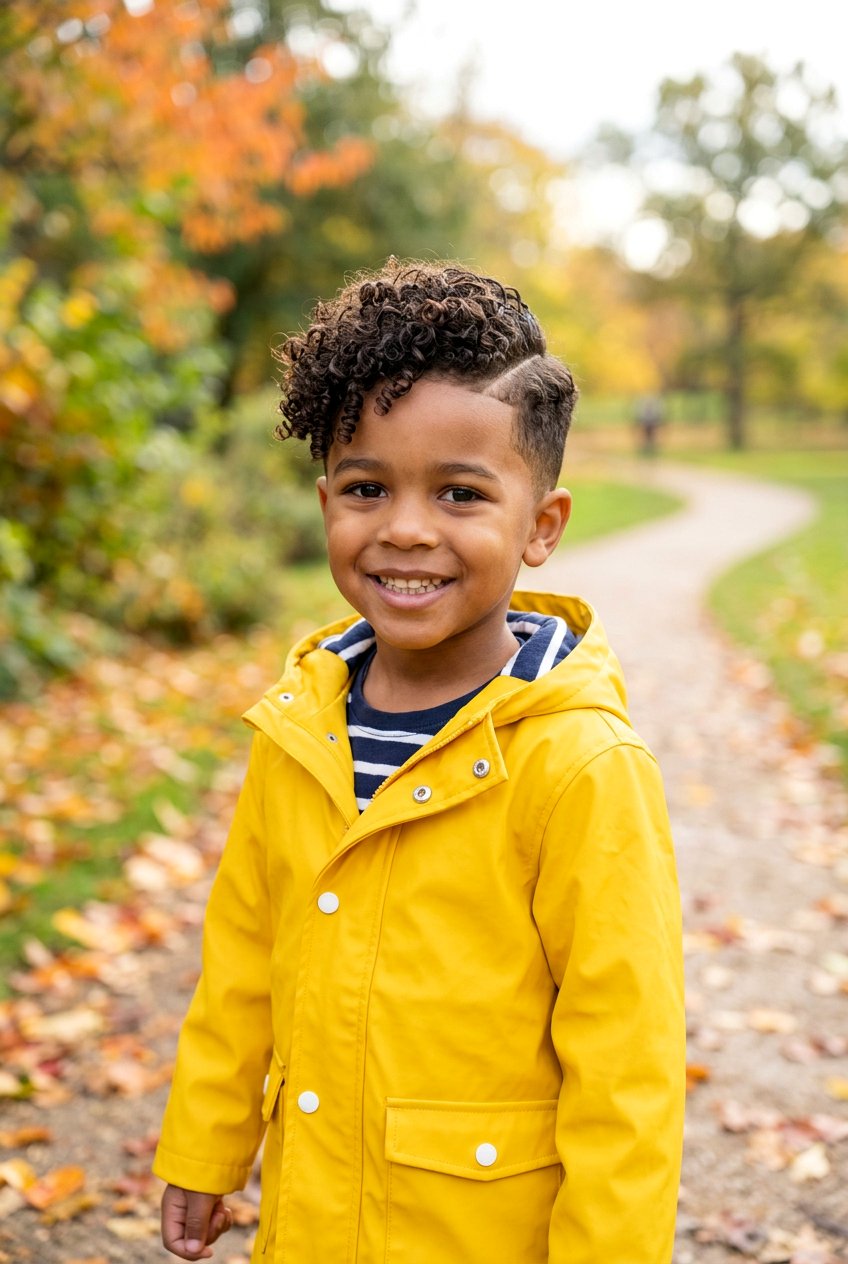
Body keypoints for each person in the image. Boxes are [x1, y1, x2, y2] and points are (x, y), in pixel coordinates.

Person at [153, 260, 685, 1263]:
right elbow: (241, 962)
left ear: (540, 525)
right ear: (324, 505)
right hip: (313, 1224)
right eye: (366, 487)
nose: (404, 528)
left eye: (457, 493)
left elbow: (627, 1068)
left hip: (476, 1232)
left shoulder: (577, 763)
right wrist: (206, 1140)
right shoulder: (300, 725)